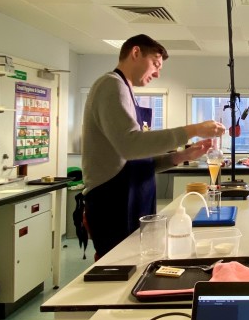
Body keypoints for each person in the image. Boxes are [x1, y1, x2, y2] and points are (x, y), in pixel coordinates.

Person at [81, 34, 225, 257]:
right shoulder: (111, 85)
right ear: (136, 53)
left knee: (139, 261)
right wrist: (194, 130)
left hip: (132, 193)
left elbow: (136, 159)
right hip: (113, 200)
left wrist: (182, 155)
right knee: (118, 268)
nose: (157, 73)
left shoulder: (126, 92)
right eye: (156, 64)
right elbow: (131, 146)